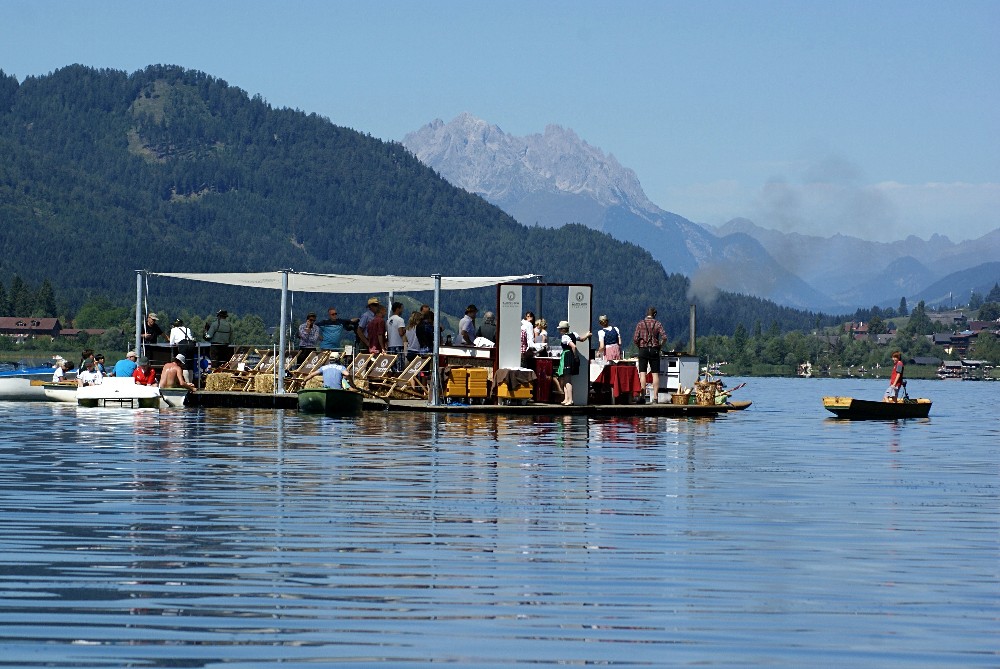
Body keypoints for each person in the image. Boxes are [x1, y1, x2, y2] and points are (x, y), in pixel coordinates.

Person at [632, 307, 667, 402]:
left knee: (642, 373)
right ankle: (655, 398)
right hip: (654, 350)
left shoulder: (640, 323)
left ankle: (642, 397)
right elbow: (664, 337)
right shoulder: (658, 323)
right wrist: (660, 346)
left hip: (643, 349)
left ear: (647, 313)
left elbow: (635, 339)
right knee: (655, 374)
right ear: (654, 314)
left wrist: (639, 346)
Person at [553, 320, 592, 406]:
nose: (559, 331)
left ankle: (570, 400)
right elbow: (581, 339)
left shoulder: (565, 337)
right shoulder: (574, 334)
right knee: (565, 377)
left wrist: (575, 356)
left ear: (563, 329)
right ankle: (566, 398)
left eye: (560, 329)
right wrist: (587, 335)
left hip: (568, 356)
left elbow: (574, 346)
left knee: (567, 379)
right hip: (568, 356)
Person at [386, 302, 406, 371]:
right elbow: (401, 332)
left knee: (392, 367)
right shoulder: (400, 320)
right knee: (399, 368)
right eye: (401, 309)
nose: (402, 310)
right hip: (398, 345)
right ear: (398, 309)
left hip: (390, 345)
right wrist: (405, 330)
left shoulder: (388, 320)